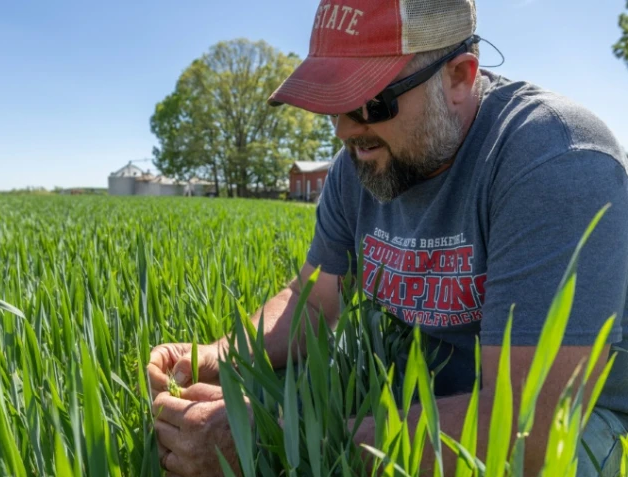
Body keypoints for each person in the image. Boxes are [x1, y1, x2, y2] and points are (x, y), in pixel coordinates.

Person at [148, 0, 628, 475]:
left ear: (459, 74)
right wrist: (215, 355)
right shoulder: (358, 165)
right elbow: (313, 302)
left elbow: (530, 426)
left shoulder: (555, 160)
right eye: (332, 103)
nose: (343, 130)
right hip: (425, 395)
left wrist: (275, 438)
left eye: (369, 102)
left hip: (583, 416)